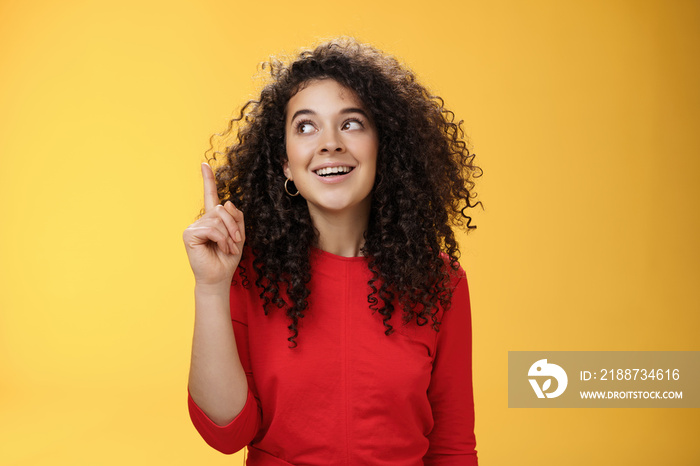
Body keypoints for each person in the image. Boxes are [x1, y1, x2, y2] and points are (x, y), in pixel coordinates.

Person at [182, 37, 482, 465]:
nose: (329, 143)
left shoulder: (440, 283)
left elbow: (453, 448)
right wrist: (211, 288)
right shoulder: (246, 274)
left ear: (384, 147)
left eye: (352, 123)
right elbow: (227, 434)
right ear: (285, 162)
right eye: (305, 126)